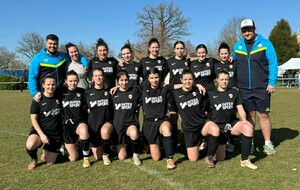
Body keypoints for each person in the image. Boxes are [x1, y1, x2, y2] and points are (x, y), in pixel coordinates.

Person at [232, 19, 278, 155]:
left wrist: (272, 82)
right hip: (244, 88)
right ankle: (249, 142)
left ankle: (268, 143)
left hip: (262, 87)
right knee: (249, 115)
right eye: (244, 30)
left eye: (249, 29)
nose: (247, 33)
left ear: (254, 29)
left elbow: (273, 63)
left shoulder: (265, 44)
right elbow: (233, 63)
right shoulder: (237, 46)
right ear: (242, 32)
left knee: (263, 115)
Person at [208, 70, 257, 170]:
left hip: (231, 123)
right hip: (218, 126)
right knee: (221, 158)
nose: (224, 81)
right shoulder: (210, 93)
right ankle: (215, 144)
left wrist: (244, 120)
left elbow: (240, 108)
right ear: (217, 80)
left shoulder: (234, 92)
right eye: (222, 79)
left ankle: (245, 160)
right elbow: (206, 112)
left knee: (247, 128)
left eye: (226, 79)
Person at [171, 69, 219, 168]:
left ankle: (209, 156)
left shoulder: (199, 91)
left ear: (194, 80)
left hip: (202, 123)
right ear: (181, 80)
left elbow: (207, 108)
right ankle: (200, 142)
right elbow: (166, 88)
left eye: (190, 79)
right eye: (185, 79)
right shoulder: (175, 93)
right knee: (193, 159)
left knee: (215, 130)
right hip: (189, 128)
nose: (188, 81)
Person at [28, 34, 89, 102]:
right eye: (50, 43)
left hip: (61, 93)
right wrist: (34, 93)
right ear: (46, 43)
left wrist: (84, 62)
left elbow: (75, 54)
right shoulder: (37, 58)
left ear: (58, 44)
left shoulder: (63, 56)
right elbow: (32, 77)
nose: (52, 46)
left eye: (55, 44)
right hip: (45, 93)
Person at [140, 67, 175, 170]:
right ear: (148, 78)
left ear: (160, 77)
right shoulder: (142, 89)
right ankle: (159, 145)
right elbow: (129, 88)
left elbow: (175, 87)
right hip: (149, 123)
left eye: (156, 77)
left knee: (166, 129)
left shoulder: (164, 89)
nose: (154, 80)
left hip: (162, 120)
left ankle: (170, 159)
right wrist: (117, 86)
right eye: (151, 78)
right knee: (156, 158)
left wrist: (195, 84)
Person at [25, 75, 62, 170]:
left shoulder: (59, 97)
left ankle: (47, 150)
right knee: (30, 144)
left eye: (53, 84)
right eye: (48, 84)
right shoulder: (38, 99)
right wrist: (42, 135)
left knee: (50, 162)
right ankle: (33, 158)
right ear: (43, 85)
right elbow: (33, 119)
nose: (51, 87)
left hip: (55, 134)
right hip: (40, 132)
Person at [84, 68, 114, 165]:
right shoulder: (87, 93)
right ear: (92, 78)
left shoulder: (109, 92)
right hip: (93, 126)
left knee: (105, 132)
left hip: (106, 123)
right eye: (96, 76)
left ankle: (106, 155)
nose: (98, 78)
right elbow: (83, 108)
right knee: (97, 157)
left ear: (104, 77)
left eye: (100, 75)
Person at [61, 70, 90, 168]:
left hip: (79, 122)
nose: (73, 83)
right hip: (67, 125)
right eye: (70, 81)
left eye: (75, 81)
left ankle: (86, 158)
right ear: (66, 81)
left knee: (84, 131)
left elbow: (88, 106)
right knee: (73, 158)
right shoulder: (60, 93)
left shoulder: (82, 92)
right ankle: (74, 147)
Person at [112, 70, 142, 166]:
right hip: (118, 125)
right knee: (122, 157)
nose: (124, 82)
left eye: (126, 80)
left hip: (130, 123)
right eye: (121, 80)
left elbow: (145, 87)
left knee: (134, 133)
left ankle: (136, 155)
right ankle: (125, 146)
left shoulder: (135, 91)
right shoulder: (113, 93)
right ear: (117, 81)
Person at [166, 41, 190, 151]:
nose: (180, 50)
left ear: (184, 49)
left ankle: (188, 142)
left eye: (181, 48)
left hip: (185, 94)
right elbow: (166, 82)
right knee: (173, 118)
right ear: (174, 49)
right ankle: (174, 143)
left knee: (185, 118)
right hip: (173, 94)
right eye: (178, 48)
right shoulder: (169, 62)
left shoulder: (187, 61)